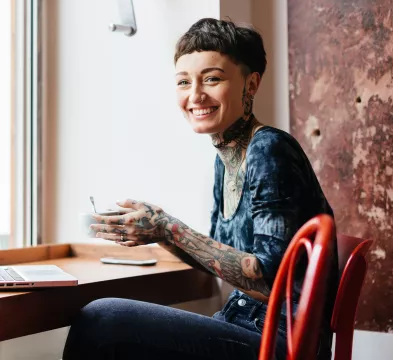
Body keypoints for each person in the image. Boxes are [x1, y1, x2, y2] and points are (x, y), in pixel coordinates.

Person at [63, 18, 338, 360]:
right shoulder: (224, 158)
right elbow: (219, 258)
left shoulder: (269, 149)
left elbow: (270, 284)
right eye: (183, 82)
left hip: (280, 341)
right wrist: (158, 233)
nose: (195, 95)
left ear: (250, 85)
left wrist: (169, 227)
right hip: (243, 325)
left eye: (212, 79)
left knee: (102, 319)